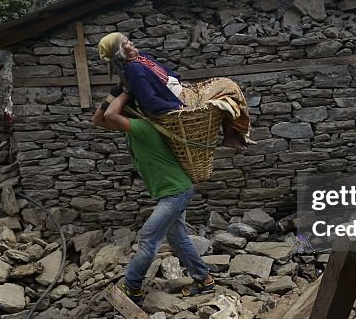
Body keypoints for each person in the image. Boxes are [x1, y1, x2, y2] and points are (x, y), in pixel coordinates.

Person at [93, 91, 214, 303]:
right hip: (172, 192)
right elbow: (98, 119)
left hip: (176, 193)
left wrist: (127, 91)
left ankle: (132, 287)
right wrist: (114, 93)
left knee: (148, 238)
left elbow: (111, 115)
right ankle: (204, 279)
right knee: (178, 238)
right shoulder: (131, 131)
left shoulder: (144, 128)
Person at [98, 32, 250, 149]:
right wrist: (176, 107)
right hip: (180, 99)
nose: (131, 42)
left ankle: (232, 134)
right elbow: (150, 101)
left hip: (183, 90)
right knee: (229, 87)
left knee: (228, 88)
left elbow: (165, 75)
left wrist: (182, 83)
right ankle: (231, 135)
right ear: (121, 51)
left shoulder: (140, 58)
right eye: (126, 43)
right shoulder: (134, 70)